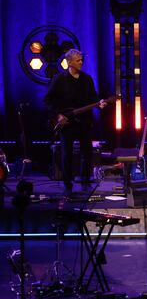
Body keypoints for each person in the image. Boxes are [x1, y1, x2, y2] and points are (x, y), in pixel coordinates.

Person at [44, 49, 107, 193]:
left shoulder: (87, 79)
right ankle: (68, 184)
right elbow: (48, 100)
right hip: (66, 122)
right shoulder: (59, 79)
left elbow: (94, 98)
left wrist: (100, 103)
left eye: (81, 60)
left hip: (84, 121)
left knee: (87, 152)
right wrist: (58, 115)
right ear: (69, 62)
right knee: (67, 153)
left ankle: (85, 181)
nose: (81, 62)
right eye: (78, 60)